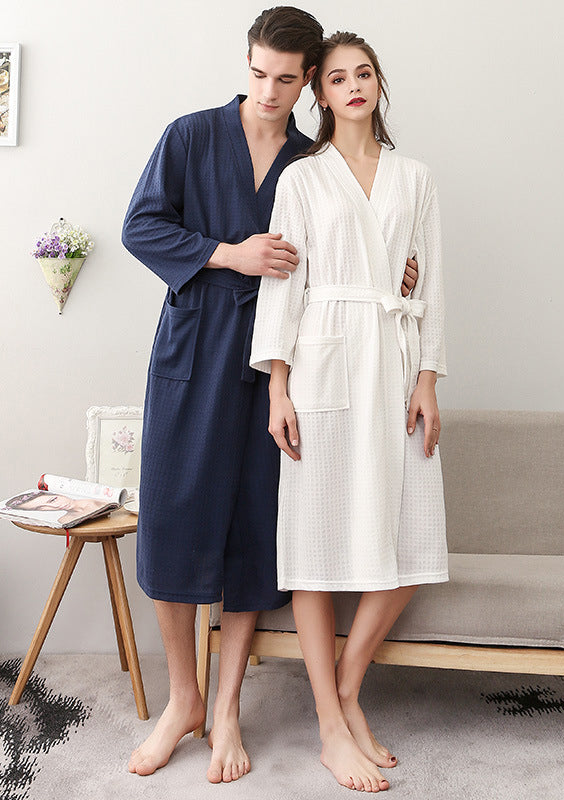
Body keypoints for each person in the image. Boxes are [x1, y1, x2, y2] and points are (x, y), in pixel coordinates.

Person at [123, 5, 419, 784]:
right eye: (258, 73)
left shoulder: (310, 162)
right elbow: (141, 227)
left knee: (253, 529)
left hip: (275, 367)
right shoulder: (190, 136)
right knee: (174, 519)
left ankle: (226, 708)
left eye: (286, 80)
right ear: (247, 64)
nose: (267, 91)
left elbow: (350, 251)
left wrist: (394, 268)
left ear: (308, 82)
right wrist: (230, 253)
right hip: (193, 352)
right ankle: (183, 700)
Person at [250, 31, 448, 792]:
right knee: (314, 539)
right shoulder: (303, 178)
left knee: (410, 538)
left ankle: (345, 693)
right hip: (323, 365)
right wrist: (278, 387)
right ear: (320, 94)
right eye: (337, 78)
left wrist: (427, 378)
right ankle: (333, 728)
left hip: (394, 363)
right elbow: (284, 287)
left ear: (377, 84)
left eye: (364, 74)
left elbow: (432, 283)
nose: (354, 86)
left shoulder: (414, 177)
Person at [5, 491, 107, 526]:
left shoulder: (102, 501)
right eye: (41, 507)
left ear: (59, 494)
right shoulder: (65, 520)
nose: (54, 506)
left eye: (53, 500)